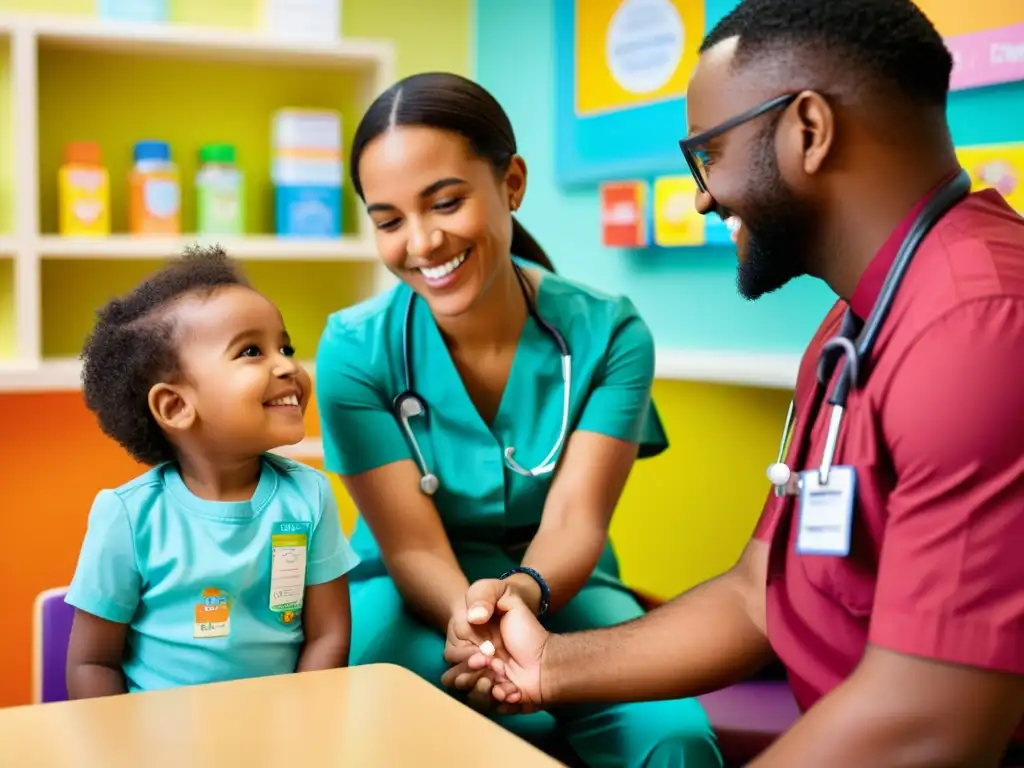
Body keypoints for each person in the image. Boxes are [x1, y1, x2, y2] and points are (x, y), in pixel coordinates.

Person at [443, 0, 1024, 765]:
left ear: (808, 130)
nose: (703, 196)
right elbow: (762, 591)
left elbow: (929, 718)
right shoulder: (854, 328)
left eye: (709, 154)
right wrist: (551, 665)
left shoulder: (978, 331)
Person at [314, 72, 722, 766]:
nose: (421, 242)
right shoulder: (353, 352)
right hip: (412, 589)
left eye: (445, 202)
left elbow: (574, 520)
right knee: (494, 735)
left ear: (511, 184)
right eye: (388, 220)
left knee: (674, 740)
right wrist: (471, 617)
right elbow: (412, 546)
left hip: (560, 580)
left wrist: (521, 594)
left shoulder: (610, 334)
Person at [65, 246, 359, 699]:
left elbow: (328, 637)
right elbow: (92, 662)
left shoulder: (310, 496)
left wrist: (305, 722)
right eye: (250, 351)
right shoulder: (128, 516)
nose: (286, 365)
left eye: (285, 347)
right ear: (176, 406)